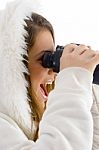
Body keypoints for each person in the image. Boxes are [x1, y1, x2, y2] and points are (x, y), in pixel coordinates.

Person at [0, 0, 99, 149]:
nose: (53, 71)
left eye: (52, 58)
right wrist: (74, 82)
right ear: (10, 70)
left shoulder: (37, 125)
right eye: (44, 59)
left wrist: (86, 86)